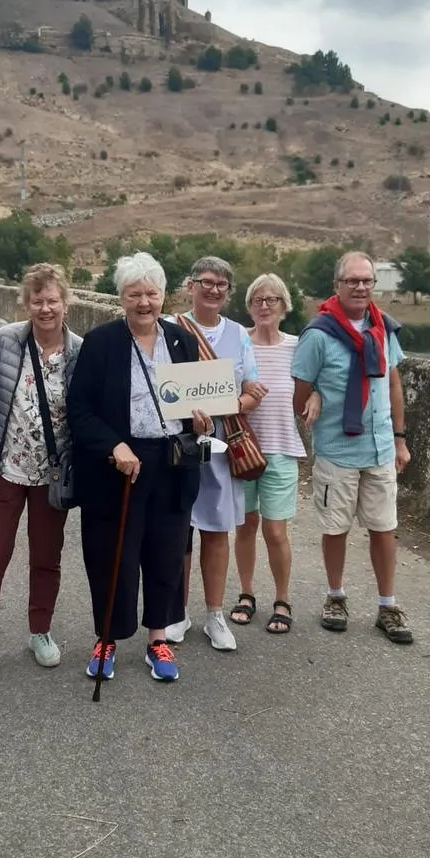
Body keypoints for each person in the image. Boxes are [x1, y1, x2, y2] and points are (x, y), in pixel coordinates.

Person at [67, 251, 211, 683]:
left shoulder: (182, 341)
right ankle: (107, 638)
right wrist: (113, 445)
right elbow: (80, 410)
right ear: (121, 298)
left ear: (164, 295)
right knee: (113, 554)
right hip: (119, 466)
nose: (144, 302)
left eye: (151, 293)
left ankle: (158, 638)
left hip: (172, 463)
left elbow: (195, 406)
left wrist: (201, 421)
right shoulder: (101, 343)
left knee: (167, 551)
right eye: (134, 294)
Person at [292, 250, 413, 644]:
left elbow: (392, 384)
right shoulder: (318, 334)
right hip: (338, 451)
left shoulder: (383, 327)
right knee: (336, 529)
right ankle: (335, 596)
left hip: (380, 449)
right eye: (352, 280)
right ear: (337, 285)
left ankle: (387, 605)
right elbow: (299, 396)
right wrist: (315, 396)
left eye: (366, 280)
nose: (360, 287)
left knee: (384, 528)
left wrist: (400, 440)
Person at [0, 264, 82, 672]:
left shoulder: (79, 350)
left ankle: (40, 630)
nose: (45, 308)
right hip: (6, 467)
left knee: (47, 556)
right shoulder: (6, 340)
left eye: (52, 300)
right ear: (26, 304)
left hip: (52, 474)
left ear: (66, 303)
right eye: (37, 301)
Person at [165, 256, 264, 650]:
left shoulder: (238, 334)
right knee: (179, 531)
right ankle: (177, 612)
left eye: (222, 284)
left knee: (217, 530)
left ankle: (214, 614)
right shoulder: (169, 328)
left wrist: (229, 404)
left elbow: (252, 390)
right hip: (179, 443)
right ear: (191, 286)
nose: (214, 289)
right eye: (206, 282)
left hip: (222, 445)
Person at [230, 274, 320, 634]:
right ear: (249, 306)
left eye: (272, 300)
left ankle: (282, 599)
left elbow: (318, 382)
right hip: (242, 450)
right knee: (245, 526)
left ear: (285, 306)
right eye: (257, 300)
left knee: (276, 530)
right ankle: (246, 593)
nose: (264, 306)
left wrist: (316, 396)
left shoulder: (298, 347)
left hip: (282, 449)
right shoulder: (238, 343)